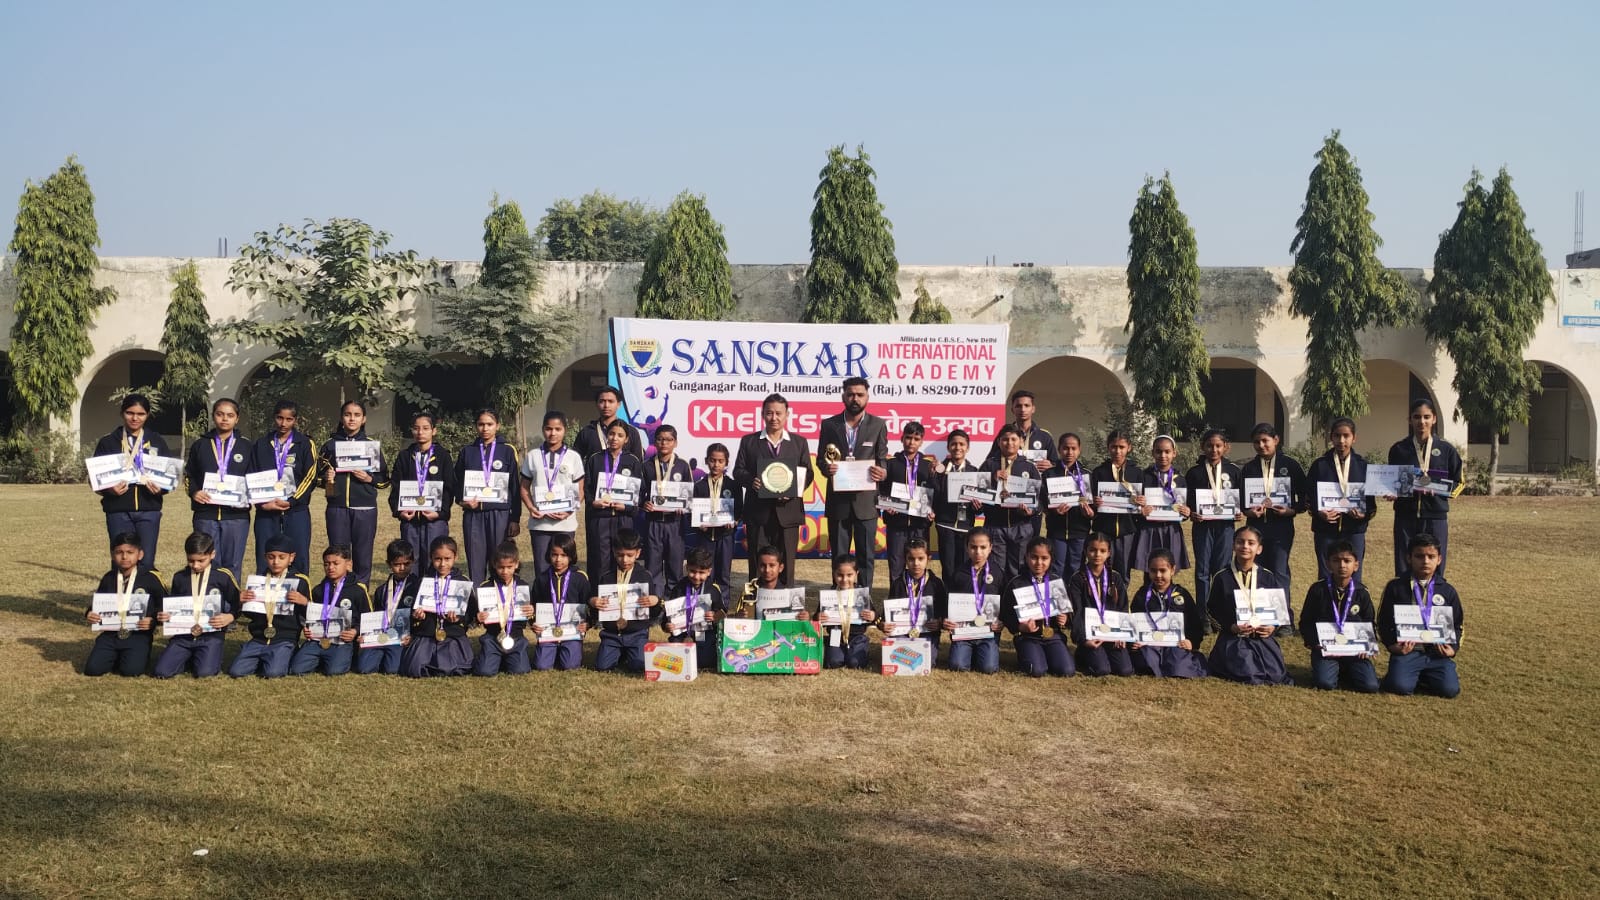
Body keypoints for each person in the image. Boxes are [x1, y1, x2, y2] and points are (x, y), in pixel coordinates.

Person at [817, 377, 890, 588]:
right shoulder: (829, 425)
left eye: (860, 394)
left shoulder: (878, 425)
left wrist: (882, 472)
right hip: (838, 502)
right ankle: (837, 598)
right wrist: (826, 468)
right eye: (850, 394)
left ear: (867, 397)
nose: (855, 398)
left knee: (866, 556)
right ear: (843, 396)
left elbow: (882, 459)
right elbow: (821, 459)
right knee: (839, 556)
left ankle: (864, 598)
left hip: (866, 503)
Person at [732, 394, 812, 586]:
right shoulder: (749, 441)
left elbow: (808, 473)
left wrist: (792, 490)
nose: (774, 418)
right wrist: (751, 481)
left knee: (786, 564)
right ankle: (756, 600)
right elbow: (738, 471)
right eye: (769, 413)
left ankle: (785, 601)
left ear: (787, 415)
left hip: (788, 513)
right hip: (758, 513)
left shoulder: (799, 442)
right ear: (762, 414)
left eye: (778, 413)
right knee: (757, 563)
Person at [92, 393, 171, 572]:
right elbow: (95, 479)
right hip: (118, 511)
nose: (135, 418)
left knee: (146, 560)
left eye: (140, 414)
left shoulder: (157, 441)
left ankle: (144, 590)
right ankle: (120, 590)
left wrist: (161, 489)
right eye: (130, 413)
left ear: (147, 415)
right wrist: (109, 489)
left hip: (149, 510)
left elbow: (169, 476)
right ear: (122, 413)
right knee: (121, 560)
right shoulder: (108, 442)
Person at [1378, 533, 1463, 698]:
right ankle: (1407, 674)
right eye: (1419, 556)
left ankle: (1423, 677)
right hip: (1408, 651)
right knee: (1398, 686)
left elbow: (1458, 624)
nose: (1425, 561)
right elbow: (1383, 621)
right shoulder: (1395, 587)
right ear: (1409, 558)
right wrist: (1392, 646)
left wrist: (1452, 648)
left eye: (1431, 556)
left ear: (1439, 559)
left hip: (1437, 653)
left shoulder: (1447, 591)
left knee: (1450, 690)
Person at [1388, 398, 1464, 579]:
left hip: (1435, 517)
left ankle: (1434, 595)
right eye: (1417, 417)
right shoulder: (1399, 449)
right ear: (1410, 420)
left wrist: (1439, 490)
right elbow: (1392, 480)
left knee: (1433, 564)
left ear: (1434, 419)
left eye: (1426, 417)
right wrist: (1393, 492)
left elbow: (1459, 483)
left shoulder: (1446, 450)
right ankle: (1405, 596)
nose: (1421, 422)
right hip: (1406, 516)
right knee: (1404, 563)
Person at [1205, 527, 1292, 686]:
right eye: (1240, 542)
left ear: (1259, 549)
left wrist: (1272, 627)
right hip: (1234, 637)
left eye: (1251, 543)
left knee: (1275, 674)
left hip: (1261, 637)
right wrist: (1231, 627)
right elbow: (1212, 610)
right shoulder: (1222, 576)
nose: (1245, 546)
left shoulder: (1267, 576)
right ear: (1233, 546)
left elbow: (1279, 610)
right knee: (1248, 672)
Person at [1241, 422, 1306, 627]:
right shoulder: (1249, 468)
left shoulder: (1291, 466)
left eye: (1265, 441)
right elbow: (1240, 500)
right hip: (1255, 528)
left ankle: (1284, 620)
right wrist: (1248, 512)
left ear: (1276, 440)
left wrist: (1291, 510)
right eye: (1256, 442)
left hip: (1281, 528)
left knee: (1279, 571)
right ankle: (1259, 616)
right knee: (1256, 571)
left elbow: (1305, 497)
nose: (1261, 445)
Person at [318, 400, 388, 585]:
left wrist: (369, 479)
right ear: (341, 418)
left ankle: (361, 591)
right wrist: (326, 478)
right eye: (348, 414)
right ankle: (339, 591)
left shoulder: (371, 446)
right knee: (338, 555)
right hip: (337, 508)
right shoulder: (330, 445)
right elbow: (316, 477)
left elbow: (384, 480)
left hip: (365, 509)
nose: (352, 419)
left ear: (363, 419)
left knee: (363, 554)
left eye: (357, 415)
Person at [153, 531, 238, 679]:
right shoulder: (180, 577)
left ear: (212, 554)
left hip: (211, 635)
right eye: (191, 561)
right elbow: (173, 604)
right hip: (183, 635)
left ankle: (203, 656)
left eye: (201, 560)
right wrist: (164, 615)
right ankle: (187, 657)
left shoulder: (223, 576)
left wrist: (230, 616)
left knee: (205, 673)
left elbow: (238, 602)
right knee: (162, 672)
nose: (196, 565)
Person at [185, 397, 251, 585]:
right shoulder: (200, 445)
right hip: (206, 513)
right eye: (220, 414)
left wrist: (247, 496)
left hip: (236, 516)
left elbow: (254, 477)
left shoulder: (246, 446)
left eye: (230, 415)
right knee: (207, 561)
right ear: (213, 416)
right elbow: (189, 475)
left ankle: (231, 601)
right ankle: (207, 598)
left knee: (233, 564)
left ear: (237, 419)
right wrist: (194, 492)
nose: (224, 419)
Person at [1298, 540, 1379, 692]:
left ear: (1356, 565)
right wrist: (1314, 643)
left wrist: (1367, 646)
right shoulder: (1318, 590)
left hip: (1355, 652)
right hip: (1327, 650)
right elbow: (1306, 621)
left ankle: (1347, 671)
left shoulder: (1362, 593)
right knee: (1325, 683)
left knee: (1370, 686)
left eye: (1347, 561)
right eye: (1336, 561)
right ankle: (1331, 670)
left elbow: (1369, 622)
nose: (1342, 565)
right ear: (1328, 564)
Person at [1309, 417, 1379, 589]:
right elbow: (1309, 497)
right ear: (1331, 438)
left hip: (1354, 531)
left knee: (1354, 574)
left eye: (1346, 436)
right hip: (1325, 530)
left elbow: (1371, 504)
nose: (1341, 440)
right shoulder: (1320, 465)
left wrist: (1363, 515)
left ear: (1354, 438)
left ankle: (1353, 606)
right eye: (1337, 436)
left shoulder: (1363, 466)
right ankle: (1327, 605)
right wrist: (1319, 512)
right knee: (1326, 574)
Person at [249, 400, 316, 576]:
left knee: (299, 557)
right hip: (266, 511)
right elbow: (252, 475)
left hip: (296, 511)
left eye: (289, 419)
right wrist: (262, 504)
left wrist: (292, 501)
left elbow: (310, 476)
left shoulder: (305, 444)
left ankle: (298, 591)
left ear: (295, 420)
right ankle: (264, 592)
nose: (283, 423)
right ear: (274, 418)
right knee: (265, 556)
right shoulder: (261, 444)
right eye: (280, 418)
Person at [83, 532, 164, 677]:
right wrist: (89, 613)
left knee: (131, 671)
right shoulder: (109, 578)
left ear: (140, 554)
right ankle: (116, 656)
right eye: (119, 552)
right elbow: (98, 603)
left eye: (130, 552)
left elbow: (163, 605)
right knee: (93, 670)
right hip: (111, 634)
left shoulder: (150, 578)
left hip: (138, 633)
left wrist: (153, 620)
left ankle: (134, 656)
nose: (125, 557)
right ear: (112, 555)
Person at [227, 535, 309, 679]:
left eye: (281, 557)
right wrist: (242, 602)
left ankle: (289, 652)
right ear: (265, 557)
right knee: (236, 671)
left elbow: (310, 614)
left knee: (273, 673)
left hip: (284, 639)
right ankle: (262, 656)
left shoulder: (300, 580)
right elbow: (251, 615)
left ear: (291, 557)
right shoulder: (259, 580)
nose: (276, 562)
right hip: (259, 638)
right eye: (271, 557)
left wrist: (304, 602)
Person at [456, 408, 520, 587]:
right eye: (481, 424)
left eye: (489, 424)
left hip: (499, 514)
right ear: (476, 426)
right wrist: (463, 501)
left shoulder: (507, 450)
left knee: (499, 559)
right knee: (475, 561)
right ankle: (478, 599)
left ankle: (500, 597)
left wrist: (515, 518)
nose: (485, 428)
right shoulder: (467, 451)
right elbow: (457, 482)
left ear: (497, 426)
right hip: (473, 514)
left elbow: (514, 486)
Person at [1186, 428, 1244, 620]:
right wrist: (1192, 513)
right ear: (1202, 447)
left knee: (1222, 569)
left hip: (1226, 527)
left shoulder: (1234, 471)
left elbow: (1241, 499)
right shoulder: (1194, 472)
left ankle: (1220, 614)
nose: (1214, 450)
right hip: (1202, 527)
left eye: (1218, 446)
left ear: (1226, 447)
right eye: (1209, 446)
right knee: (1202, 571)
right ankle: (1202, 615)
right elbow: (1187, 502)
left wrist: (1239, 512)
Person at [519, 410, 584, 579]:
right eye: (548, 429)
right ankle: (543, 597)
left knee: (564, 569)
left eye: (558, 429)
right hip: (540, 524)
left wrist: (569, 511)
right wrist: (532, 508)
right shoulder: (533, 456)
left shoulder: (573, 457)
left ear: (565, 430)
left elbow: (580, 490)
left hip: (566, 524)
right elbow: (524, 488)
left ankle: (564, 596)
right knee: (542, 570)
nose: (553, 433)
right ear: (543, 429)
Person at [401, 536, 476, 678]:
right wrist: (418, 616)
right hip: (427, 635)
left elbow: (470, 613)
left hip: (452, 635)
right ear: (431, 558)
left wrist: (458, 619)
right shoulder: (423, 581)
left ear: (455, 557)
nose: (442, 564)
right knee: (415, 668)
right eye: (437, 559)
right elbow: (413, 609)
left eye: (447, 559)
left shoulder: (463, 582)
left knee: (451, 668)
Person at [589, 529, 661, 674]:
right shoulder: (606, 577)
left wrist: (656, 602)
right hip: (612, 634)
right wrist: (593, 602)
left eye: (630, 555)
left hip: (637, 633)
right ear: (614, 552)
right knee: (602, 667)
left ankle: (629, 652)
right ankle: (619, 652)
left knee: (638, 666)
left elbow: (653, 614)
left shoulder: (645, 576)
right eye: (620, 555)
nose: (625, 560)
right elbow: (596, 613)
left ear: (638, 553)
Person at [289, 544, 366, 676]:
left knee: (334, 671)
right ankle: (321, 658)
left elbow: (366, 616)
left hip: (342, 641)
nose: (330, 567)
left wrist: (355, 631)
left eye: (336, 563)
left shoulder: (358, 590)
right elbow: (310, 616)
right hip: (318, 639)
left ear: (348, 564)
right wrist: (307, 628)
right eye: (326, 564)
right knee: (297, 669)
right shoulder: (318, 590)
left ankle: (340, 658)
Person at [1130, 549, 1207, 678]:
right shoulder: (1142, 594)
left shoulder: (1182, 594)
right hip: (1150, 645)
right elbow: (1133, 622)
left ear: (1172, 570)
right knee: (1145, 661)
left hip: (1175, 645)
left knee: (1178, 666)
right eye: (1153, 571)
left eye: (1163, 570)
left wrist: (1191, 642)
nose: (1158, 575)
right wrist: (1135, 641)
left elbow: (1195, 624)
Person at [1002, 538, 1074, 677]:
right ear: (1026, 556)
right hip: (1028, 637)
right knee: (1036, 670)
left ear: (1051, 559)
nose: (1039, 563)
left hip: (1053, 635)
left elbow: (1069, 611)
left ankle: (1050, 655)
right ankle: (1029, 655)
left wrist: (1065, 619)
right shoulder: (1016, 583)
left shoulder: (1056, 582)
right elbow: (1006, 614)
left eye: (1044, 558)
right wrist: (1019, 627)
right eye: (1034, 557)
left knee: (1066, 671)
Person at [389, 412, 453, 566]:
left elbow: (449, 488)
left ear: (434, 430)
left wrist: (440, 513)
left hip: (435, 520)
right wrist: (399, 511)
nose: (420, 432)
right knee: (411, 561)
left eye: (425, 428)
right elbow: (396, 486)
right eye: (416, 428)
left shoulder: (443, 456)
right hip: (410, 519)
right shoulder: (404, 456)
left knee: (435, 560)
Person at [979, 424, 1041, 584]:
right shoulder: (988, 465)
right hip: (995, 526)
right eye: (1005, 439)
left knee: (1019, 568)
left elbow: (1038, 498)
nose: (1009, 443)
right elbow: (979, 493)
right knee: (996, 569)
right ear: (999, 442)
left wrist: (1031, 510)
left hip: (1021, 526)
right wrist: (992, 479)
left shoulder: (1028, 467)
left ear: (1021, 442)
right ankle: (998, 598)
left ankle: (1015, 598)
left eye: (1014, 439)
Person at [584, 419, 643, 584]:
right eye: (611, 434)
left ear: (626, 439)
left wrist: (627, 506)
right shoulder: (595, 459)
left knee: (623, 560)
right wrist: (593, 502)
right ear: (606, 436)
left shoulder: (633, 461)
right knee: (600, 562)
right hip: (600, 518)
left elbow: (639, 492)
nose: (614, 438)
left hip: (623, 518)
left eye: (620, 435)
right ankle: (598, 596)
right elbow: (586, 488)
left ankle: (622, 595)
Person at [1069, 532, 1134, 677]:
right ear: (1085, 551)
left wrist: (1122, 635)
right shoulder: (1078, 579)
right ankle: (1082, 653)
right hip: (1090, 636)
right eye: (1092, 550)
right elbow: (1077, 611)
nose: (1097, 554)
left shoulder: (1115, 578)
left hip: (1112, 634)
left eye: (1102, 551)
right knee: (1101, 670)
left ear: (1109, 553)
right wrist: (1084, 639)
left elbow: (1123, 607)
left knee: (1125, 670)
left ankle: (1105, 653)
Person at [879, 421, 936, 586]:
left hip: (920, 525)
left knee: (918, 567)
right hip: (896, 524)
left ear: (921, 441)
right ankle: (895, 598)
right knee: (896, 566)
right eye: (908, 438)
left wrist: (933, 510)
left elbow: (935, 493)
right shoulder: (890, 464)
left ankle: (918, 597)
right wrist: (887, 505)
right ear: (902, 438)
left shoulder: (927, 466)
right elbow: (882, 491)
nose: (911, 442)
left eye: (916, 439)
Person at [942, 527, 1002, 674]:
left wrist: (1002, 621)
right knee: (957, 665)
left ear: (990, 548)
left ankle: (979, 653)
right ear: (967, 548)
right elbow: (948, 601)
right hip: (964, 633)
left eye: (983, 547)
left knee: (989, 668)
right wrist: (946, 619)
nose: (978, 552)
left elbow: (1004, 603)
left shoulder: (998, 573)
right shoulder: (958, 573)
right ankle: (969, 652)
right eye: (973, 547)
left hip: (987, 633)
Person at [355, 540, 419, 675]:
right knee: (364, 668)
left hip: (402, 638)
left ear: (413, 562)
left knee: (392, 669)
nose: (402, 568)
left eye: (406, 563)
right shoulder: (381, 590)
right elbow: (376, 617)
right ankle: (381, 655)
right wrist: (366, 635)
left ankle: (390, 658)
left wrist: (413, 636)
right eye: (397, 564)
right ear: (388, 564)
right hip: (382, 636)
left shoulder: (418, 586)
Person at [1133, 434, 1191, 582]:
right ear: (1153, 453)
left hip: (1171, 529)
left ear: (1174, 453)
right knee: (1150, 569)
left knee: (1168, 568)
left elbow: (1185, 507)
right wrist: (1140, 509)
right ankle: (1148, 594)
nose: (1163, 455)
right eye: (1158, 451)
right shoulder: (1143, 476)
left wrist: (1186, 512)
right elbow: (1135, 503)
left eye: (1167, 451)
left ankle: (1167, 596)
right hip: (1149, 529)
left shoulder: (1181, 479)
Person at [528, 533, 590, 672]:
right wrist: (533, 623)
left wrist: (588, 623)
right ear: (549, 555)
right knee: (542, 666)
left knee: (570, 666)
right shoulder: (542, 579)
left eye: (563, 555)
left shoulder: (580, 578)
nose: (558, 559)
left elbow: (588, 604)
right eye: (554, 555)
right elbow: (534, 605)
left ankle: (568, 650)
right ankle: (552, 650)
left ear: (571, 556)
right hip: (548, 632)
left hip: (572, 632)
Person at [1087, 430, 1141, 584]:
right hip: (1103, 529)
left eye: (1121, 447)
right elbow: (1091, 502)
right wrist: (1095, 503)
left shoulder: (1136, 472)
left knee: (1123, 572)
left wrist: (1142, 501)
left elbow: (1142, 502)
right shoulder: (1099, 472)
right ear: (1108, 447)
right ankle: (1100, 597)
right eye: (1114, 447)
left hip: (1127, 530)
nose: (1117, 451)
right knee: (1101, 569)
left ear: (1129, 447)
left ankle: (1121, 598)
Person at [641, 424, 693, 586]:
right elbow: (640, 493)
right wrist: (644, 503)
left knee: (675, 568)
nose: (664, 443)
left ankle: (673, 600)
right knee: (652, 568)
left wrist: (684, 507)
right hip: (653, 522)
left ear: (675, 443)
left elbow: (689, 495)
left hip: (675, 524)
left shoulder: (683, 465)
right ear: (654, 442)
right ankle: (655, 600)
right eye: (660, 439)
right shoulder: (647, 465)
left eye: (669, 440)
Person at [474, 541, 533, 677]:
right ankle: (494, 657)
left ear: (516, 564)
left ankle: (505, 659)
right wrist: (478, 617)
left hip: (516, 638)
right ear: (494, 565)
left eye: (509, 567)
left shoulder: (522, 586)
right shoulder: (486, 587)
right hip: (492, 638)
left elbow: (529, 616)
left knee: (520, 670)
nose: (505, 571)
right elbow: (477, 614)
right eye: (501, 567)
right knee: (485, 671)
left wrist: (531, 612)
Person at [689, 442, 742, 592]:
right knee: (705, 573)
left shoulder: (733, 486)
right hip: (705, 537)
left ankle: (722, 604)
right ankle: (705, 604)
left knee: (724, 574)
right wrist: (698, 524)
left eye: (720, 461)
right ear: (706, 461)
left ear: (726, 463)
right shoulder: (699, 486)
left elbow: (739, 509)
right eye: (712, 460)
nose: (716, 465)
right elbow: (693, 511)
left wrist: (734, 521)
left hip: (725, 536)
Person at [931, 429, 980, 584]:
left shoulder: (974, 472)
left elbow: (981, 506)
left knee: (964, 568)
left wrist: (978, 505)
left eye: (961, 444)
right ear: (948, 447)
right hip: (945, 525)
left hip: (966, 527)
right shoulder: (939, 470)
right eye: (953, 444)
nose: (957, 447)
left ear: (968, 447)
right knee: (948, 568)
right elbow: (934, 497)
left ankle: (962, 597)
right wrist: (934, 475)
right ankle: (947, 597)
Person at [882, 538, 946, 659]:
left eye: (921, 558)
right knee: (894, 656)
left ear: (929, 558)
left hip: (927, 633)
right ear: (905, 559)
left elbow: (943, 611)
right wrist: (883, 625)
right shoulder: (898, 583)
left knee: (926, 659)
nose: (916, 563)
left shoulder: (936, 583)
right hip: (902, 633)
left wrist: (939, 623)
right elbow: (887, 614)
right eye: (911, 559)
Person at [665, 545, 725, 673]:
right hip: (682, 635)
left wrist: (714, 616)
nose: (696, 576)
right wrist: (667, 625)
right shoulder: (678, 588)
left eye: (701, 573)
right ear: (686, 568)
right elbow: (667, 616)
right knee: (675, 658)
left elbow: (722, 614)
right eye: (692, 571)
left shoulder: (713, 590)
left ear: (709, 571)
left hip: (704, 635)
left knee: (705, 662)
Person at [1045, 432, 1093, 583]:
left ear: (1079, 450)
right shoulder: (1050, 474)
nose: (1069, 452)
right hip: (1056, 531)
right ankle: (1057, 597)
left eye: (1073, 448)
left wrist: (1090, 513)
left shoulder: (1087, 475)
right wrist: (1053, 510)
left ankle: (1074, 597)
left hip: (1079, 531)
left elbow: (1093, 506)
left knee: (1076, 568)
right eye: (1065, 448)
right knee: (1056, 568)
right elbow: (1043, 501)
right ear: (1059, 449)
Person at [816, 554, 877, 670]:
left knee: (855, 663)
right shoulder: (829, 595)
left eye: (849, 575)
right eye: (840, 575)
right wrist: (818, 617)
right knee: (834, 662)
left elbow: (875, 616)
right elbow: (816, 617)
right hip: (836, 636)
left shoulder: (861, 594)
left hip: (857, 637)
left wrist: (872, 616)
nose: (844, 580)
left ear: (856, 574)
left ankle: (863, 647)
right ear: (834, 574)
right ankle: (829, 645)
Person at [573, 384, 646, 461]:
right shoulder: (587, 432)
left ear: (619, 404)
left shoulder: (631, 431)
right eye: (602, 401)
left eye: (610, 401)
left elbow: (638, 462)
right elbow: (575, 461)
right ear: (596, 404)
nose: (606, 405)